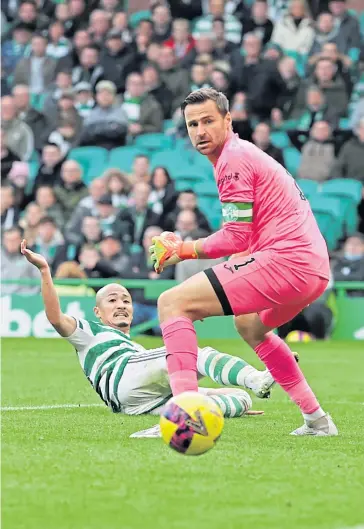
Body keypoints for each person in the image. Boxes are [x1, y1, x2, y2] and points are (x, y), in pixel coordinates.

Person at [150, 87, 338, 437]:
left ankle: (184, 420)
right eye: (193, 124)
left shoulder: (232, 159)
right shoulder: (242, 154)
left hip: (287, 262)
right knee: (250, 325)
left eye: (208, 121)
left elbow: (235, 237)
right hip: (312, 270)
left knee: (171, 302)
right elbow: (248, 238)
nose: (200, 131)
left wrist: (183, 249)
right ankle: (317, 420)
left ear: (227, 120)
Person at [20, 240, 277, 438]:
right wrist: (44, 270)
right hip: (124, 377)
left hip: (139, 403)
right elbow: (55, 317)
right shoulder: (90, 332)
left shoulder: (136, 348)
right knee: (193, 354)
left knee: (239, 398)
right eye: (112, 300)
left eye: (126, 300)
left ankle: (187, 418)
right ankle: (255, 378)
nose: (121, 305)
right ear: (98, 311)